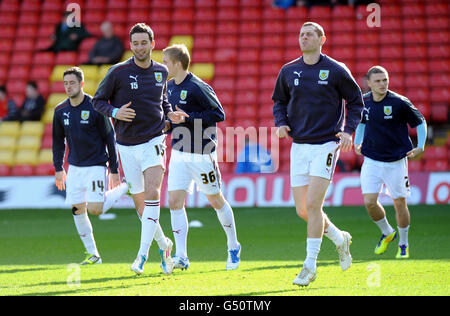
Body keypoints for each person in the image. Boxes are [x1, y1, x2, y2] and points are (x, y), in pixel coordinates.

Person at [272, 21, 364, 286]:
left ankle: (309, 266)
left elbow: (356, 102)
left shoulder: (335, 70)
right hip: (299, 146)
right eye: (301, 34)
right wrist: (281, 123)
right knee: (303, 210)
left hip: (326, 144)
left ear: (322, 39)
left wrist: (349, 131)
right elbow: (279, 101)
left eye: (310, 34)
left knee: (313, 205)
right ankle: (339, 238)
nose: (304, 38)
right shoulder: (288, 71)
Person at [92, 23, 188, 276]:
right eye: (135, 43)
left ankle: (141, 256)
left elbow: (163, 100)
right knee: (142, 206)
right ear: (130, 45)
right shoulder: (118, 72)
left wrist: (171, 114)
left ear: (152, 44)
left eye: (144, 42)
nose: (140, 47)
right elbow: (97, 101)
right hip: (126, 144)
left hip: (154, 140)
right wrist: (115, 111)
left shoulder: (161, 71)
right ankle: (164, 245)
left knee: (153, 192)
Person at [162, 44, 241, 271]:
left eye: (166, 61)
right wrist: (168, 125)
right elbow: (173, 121)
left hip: (201, 154)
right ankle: (182, 256)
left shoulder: (198, 86)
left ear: (177, 63)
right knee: (175, 203)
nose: (163, 65)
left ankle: (233, 246)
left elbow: (218, 114)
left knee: (216, 201)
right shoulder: (167, 88)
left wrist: (187, 119)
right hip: (178, 153)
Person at [52, 67, 128, 265]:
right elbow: (58, 141)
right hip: (74, 167)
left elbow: (110, 138)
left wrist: (114, 169)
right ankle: (93, 254)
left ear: (81, 84)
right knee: (77, 209)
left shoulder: (96, 107)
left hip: (95, 165)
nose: (68, 87)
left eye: (72, 83)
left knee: (96, 209)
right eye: (66, 83)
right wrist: (59, 168)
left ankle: (126, 187)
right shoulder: (60, 111)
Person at [354, 66, 427, 259]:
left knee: (399, 203)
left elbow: (420, 122)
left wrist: (420, 145)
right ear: (368, 83)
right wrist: (357, 141)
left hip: (396, 160)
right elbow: (362, 123)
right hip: (371, 159)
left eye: (385, 80)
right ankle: (387, 232)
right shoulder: (364, 101)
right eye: (378, 81)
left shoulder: (399, 102)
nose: (382, 84)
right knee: (369, 202)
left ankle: (403, 243)